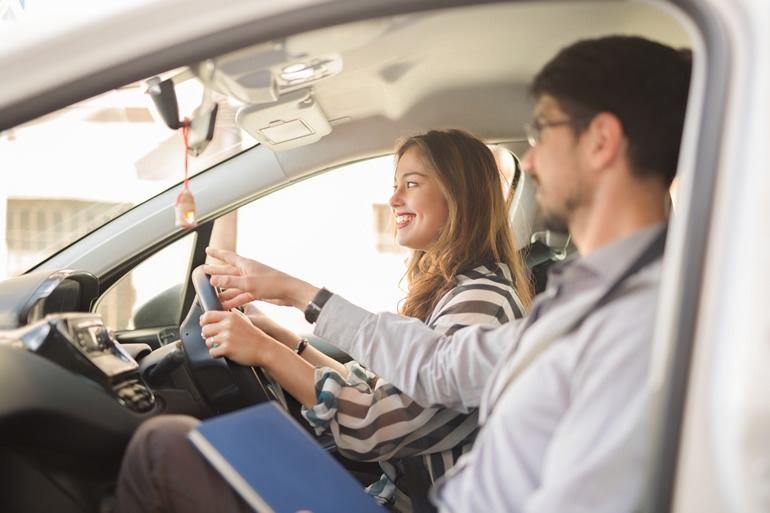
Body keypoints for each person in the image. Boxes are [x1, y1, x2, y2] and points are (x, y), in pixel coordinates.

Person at [117, 35, 692, 512]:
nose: (533, 160)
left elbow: (378, 421)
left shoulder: (625, 319)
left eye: (545, 131)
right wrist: (288, 329)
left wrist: (284, 323)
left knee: (161, 447)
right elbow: (435, 369)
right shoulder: (582, 298)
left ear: (601, 141)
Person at [114, 129, 532, 513]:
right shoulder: (458, 292)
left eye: (411, 183)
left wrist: (266, 349)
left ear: (460, 194)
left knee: (163, 445)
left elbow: (375, 424)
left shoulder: (483, 305)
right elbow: (381, 392)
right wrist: (281, 340)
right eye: (395, 185)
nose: (394, 200)